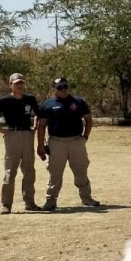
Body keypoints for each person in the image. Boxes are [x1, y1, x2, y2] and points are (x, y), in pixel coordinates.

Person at [36, 77, 100, 211]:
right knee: (55, 173)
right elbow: (41, 126)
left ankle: (87, 198)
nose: (63, 89)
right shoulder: (47, 104)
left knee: (81, 171)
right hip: (57, 142)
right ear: (54, 90)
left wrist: (85, 137)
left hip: (76, 141)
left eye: (65, 86)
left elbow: (88, 119)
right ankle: (50, 201)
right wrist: (41, 145)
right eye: (60, 87)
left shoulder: (79, 102)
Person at [0, 73, 41, 214]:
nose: (19, 86)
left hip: (27, 135)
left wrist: (34, 127)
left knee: (29, 170)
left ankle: (30, 202)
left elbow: (38, 114)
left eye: (21, 83)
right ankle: (6, 205)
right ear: (10, 84)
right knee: (10, 171)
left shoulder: (30, 99)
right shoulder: (4, 101)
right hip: (12, 135)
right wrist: (0, 129)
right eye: (16, 83)